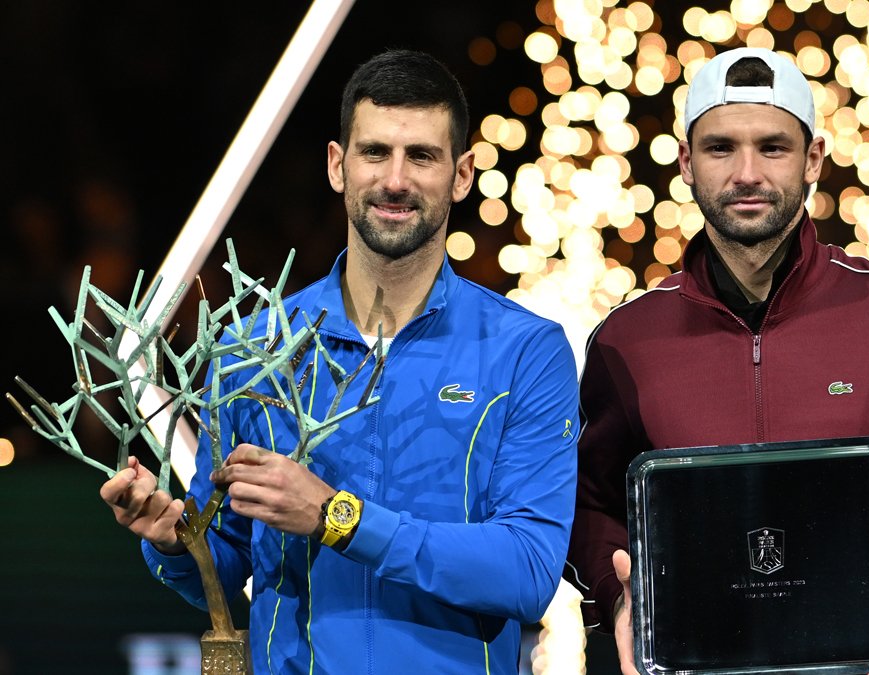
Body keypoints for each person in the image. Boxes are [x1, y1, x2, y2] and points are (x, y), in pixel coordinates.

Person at [565, 47, 869, 675]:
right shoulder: (625, 340)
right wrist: (621, 599)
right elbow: (583, 505)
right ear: (686, 163)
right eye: (720, 148)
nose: (747, 173)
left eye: (773, 147)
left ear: (814, 161)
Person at [100, 49, 580, 674]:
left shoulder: (527, 350)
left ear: (462, 175)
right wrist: (172, 540)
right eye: (375, 152)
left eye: (423, 156)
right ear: (338, 164)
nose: (396, 180)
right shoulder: (253, 348)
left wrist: (339, 519)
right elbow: (227, 558)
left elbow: (528, 571)